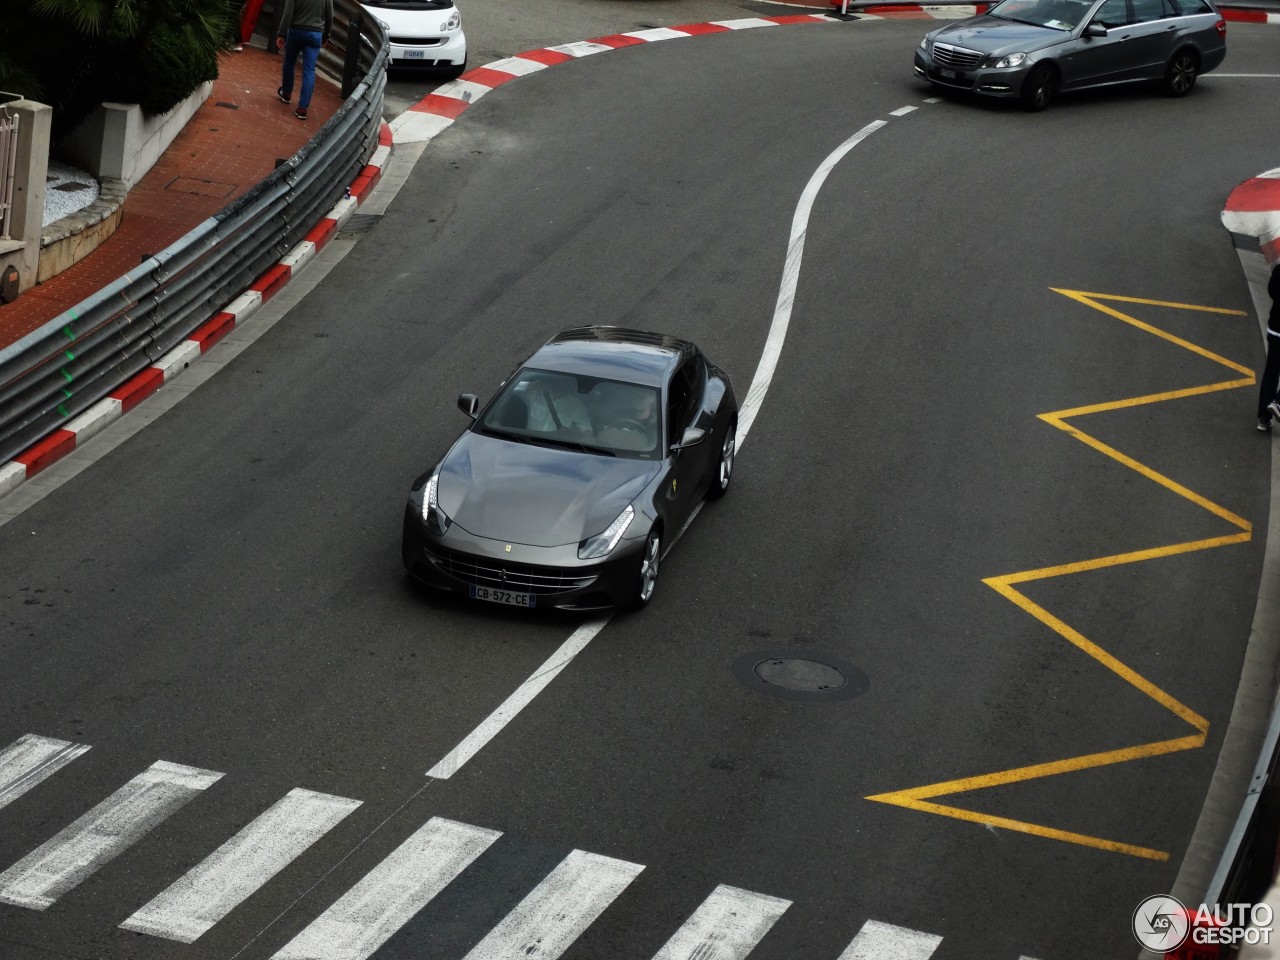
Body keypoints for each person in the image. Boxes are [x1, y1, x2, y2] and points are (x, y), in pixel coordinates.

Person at [276, 0, 333, 121]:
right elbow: (329, 16)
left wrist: (281, 33)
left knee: (289, 62)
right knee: (309, 70)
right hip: (315, 34)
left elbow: (288, 13)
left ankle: (286, 94)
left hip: (296, 31)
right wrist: (326, 35)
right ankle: (302, 108)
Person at [1256, 263, 1280, 431]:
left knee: (1271, 372)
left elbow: (1272, 291)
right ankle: (1278, 403)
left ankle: (1263, 419)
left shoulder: (1279, 269)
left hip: (1275, 328)